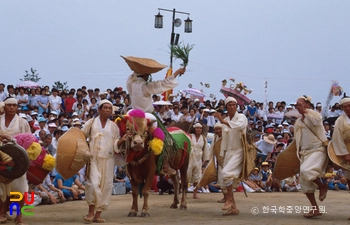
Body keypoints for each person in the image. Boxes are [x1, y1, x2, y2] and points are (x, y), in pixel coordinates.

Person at [123, 56, 185, 175]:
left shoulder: (130, 83)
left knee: (124, 136)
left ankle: (124, 160)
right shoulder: (145, 86)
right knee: (167, 140)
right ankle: (165, 165)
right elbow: (163, 84)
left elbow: (132, 75)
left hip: (134, 117)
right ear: (146, 75)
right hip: (148, 117)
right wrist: (176, 72)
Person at [81, 99, 121, 223]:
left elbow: (116, 143)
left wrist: (122, 141)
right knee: (93, 184)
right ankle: (91, 211)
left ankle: (98, 214)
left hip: (108, 159)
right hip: (93, 158)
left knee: (106, 186)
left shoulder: (114, 126)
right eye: (105, 108)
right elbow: (82, 137)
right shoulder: (91, 123)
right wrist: (85, 151)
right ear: (99, 109)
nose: (108, 110)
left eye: (110, 108)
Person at [294, 95, 328, 218]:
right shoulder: (298, 121)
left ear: (308, 104)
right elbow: (297, 139)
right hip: (304, 152)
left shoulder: (315, 115)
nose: (299, 107)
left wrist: (305, 111)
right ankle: (315, 209)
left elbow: (316, 121)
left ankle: (322, 186)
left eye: (301, 104)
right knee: (305, 182)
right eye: (297, 105)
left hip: (317, 150)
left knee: (306, 170)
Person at [214, 96, 248, 216]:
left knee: (226, 174)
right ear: (227, 107)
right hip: (228, 152)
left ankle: (228, 199)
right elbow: (225, 140)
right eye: (230, 105)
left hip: (239, 151)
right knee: (224, 181)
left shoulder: (241, 117)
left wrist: (222, 120)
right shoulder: (226, 119)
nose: (232, 106)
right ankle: (233, 207)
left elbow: (237, 126)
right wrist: (222, 154)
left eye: (234, 104)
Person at [0, 97, 31, 225]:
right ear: (4, 107)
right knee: (1, 188)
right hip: (1, 158)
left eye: (14, 105)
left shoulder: (23, 122)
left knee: (20, 189)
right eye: (9, 105)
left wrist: (13, 141)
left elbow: (30, 140)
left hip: (18, 160)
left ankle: (19, 216)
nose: (12, 107)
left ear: (17, 107)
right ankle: (1, 213)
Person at [187, 123, 210, 199]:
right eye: (197, 128)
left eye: (200, 128)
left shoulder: (203, 138)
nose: (198, 129)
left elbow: (205, 150)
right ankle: (184, 193)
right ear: (194, 129)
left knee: (197, 177)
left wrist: (205, 160)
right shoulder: (190, 137)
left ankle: (195, 193)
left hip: (198, 159)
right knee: (186, 175)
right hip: (190, 158)